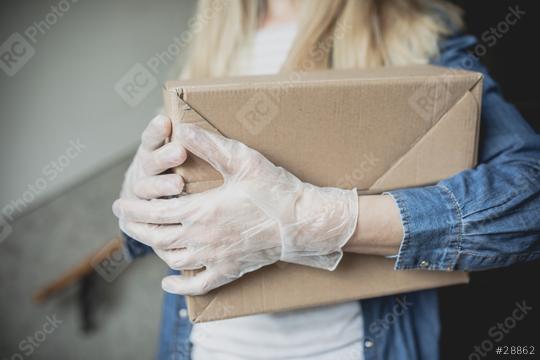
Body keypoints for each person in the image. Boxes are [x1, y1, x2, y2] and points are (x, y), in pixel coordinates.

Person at [112, 0, 540, 359]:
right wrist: (142, 202)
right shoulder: (209, 45)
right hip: (203, 348)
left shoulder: (416, 35)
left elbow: (529, 200)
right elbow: (178, 230)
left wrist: (314, 220)